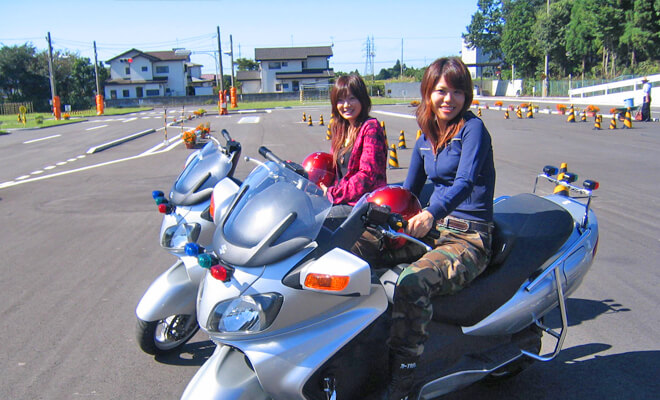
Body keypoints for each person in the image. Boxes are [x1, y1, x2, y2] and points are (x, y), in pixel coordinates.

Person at [383, 57, 496, 400]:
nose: (449, 99)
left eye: (458, 91)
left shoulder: (472, 129)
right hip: (435, 229)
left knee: (412, 282)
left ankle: (404, 375)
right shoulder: (424, 136)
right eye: (442, 91)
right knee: (367, 246)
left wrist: (431, 213)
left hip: (469, 237)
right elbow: (408, 190)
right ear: (428, 93)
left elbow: (465, 181)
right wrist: (369, 206)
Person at [320, 74, 388, 220]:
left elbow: (367, 176)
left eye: (351, 98)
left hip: (364, 205)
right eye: (340, 100)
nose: (346, 105)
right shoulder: (341, 128)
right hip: (344, 200)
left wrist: (333, 193)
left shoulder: (371, 128)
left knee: (319, 221)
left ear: (362, 99)